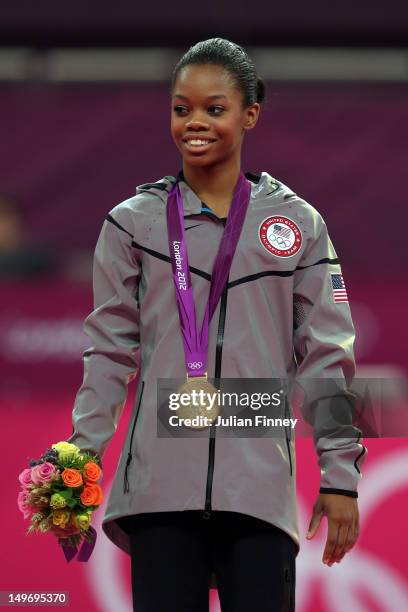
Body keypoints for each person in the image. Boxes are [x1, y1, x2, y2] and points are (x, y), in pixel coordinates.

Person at [67, 38, 367, 611]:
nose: (195, 122)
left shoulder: (297, 225)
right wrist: (80, 461)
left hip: (258, 491)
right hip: (157, 490)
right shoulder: (134, 224)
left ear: (250, 113)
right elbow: (106, 353)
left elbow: (329, 356)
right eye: (181, 109)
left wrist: (340, 475)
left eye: (214, 108)